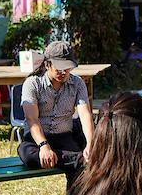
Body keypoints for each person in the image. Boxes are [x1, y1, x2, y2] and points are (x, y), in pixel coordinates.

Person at [17, 41, 94, 182]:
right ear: (47, 65)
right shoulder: (32, 83)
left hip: (64, 136)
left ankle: (74, 159)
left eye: (67, 68)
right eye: (59, 68)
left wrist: (90, 144)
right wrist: (44, 146)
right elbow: (32, 119)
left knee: (83, 155)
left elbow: (85, 114)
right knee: (28, 156)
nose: (63, 72)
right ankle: (76, 159)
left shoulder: (78, 83)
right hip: (37, 138)